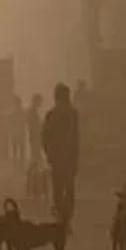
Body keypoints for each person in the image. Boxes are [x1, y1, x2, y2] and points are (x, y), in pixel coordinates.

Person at [42, 82, 80, 220]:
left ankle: (61, 219)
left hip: (59, 160)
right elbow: (76, 139)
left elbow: (44, 138)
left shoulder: (51, 115)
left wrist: (49, 155)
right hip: (67, 160)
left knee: (59, 191)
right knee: (67, 191)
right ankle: (66, 219)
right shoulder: (72, 115)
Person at [26, 93, 44, 164]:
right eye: (40, 101)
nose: (40, 103)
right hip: (35, 135)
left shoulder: (32, 110)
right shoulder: (32, 111)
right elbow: (32, 124)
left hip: (35, 134)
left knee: (35, 154)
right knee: (35, 154)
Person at [10, 95, 27, 170]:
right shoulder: (22, 112)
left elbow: (11, 124)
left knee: (16, 150)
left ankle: (16, 165)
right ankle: (20, 165)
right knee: (20, 150)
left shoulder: (14, 113)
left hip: (17, 133)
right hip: (20, 133)